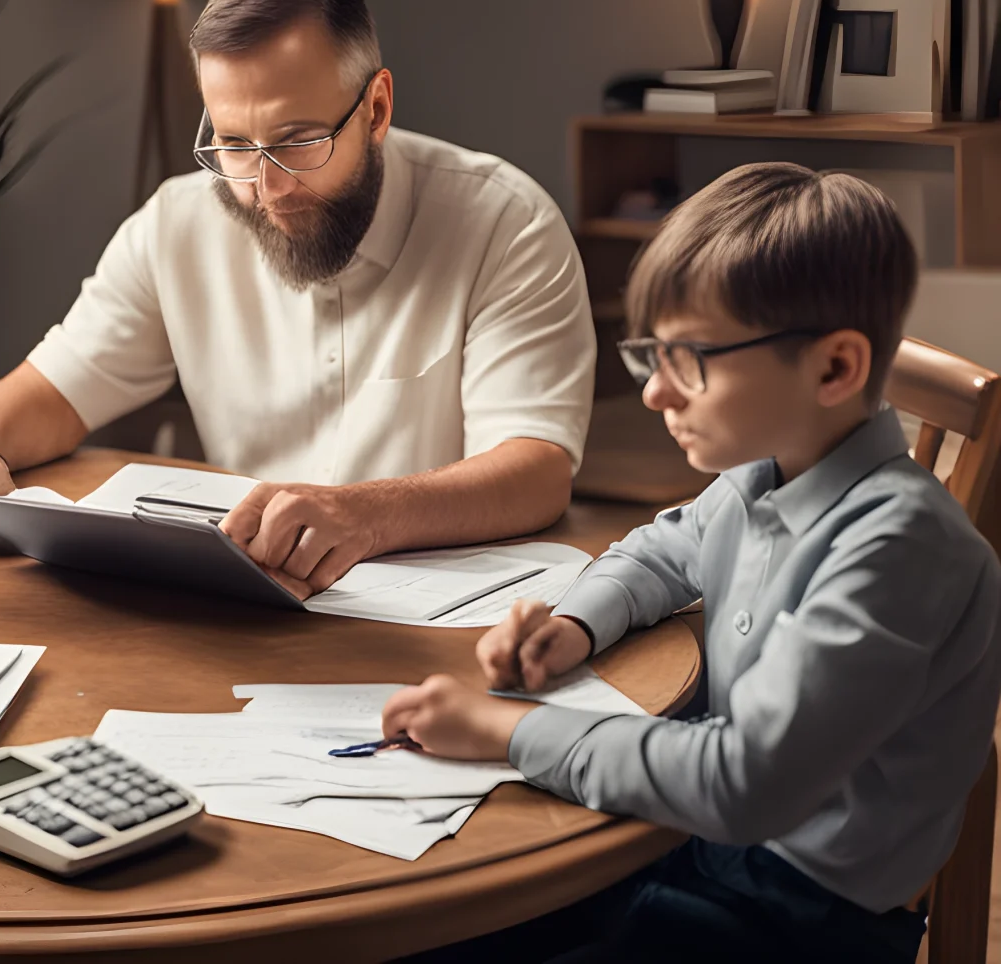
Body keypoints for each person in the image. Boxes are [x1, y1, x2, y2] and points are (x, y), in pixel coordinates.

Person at [381, 163, 1001, 963]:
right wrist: (574, 625)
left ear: (835, 369)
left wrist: (509, 729)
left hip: (799, 915)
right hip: (699, 848)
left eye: (690, 362)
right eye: (653, 356)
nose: (654, 396)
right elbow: (664, 548)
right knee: (451, 917)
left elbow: (743, 785)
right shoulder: (766, 469)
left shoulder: (902, 549)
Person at [0, 0, 595, 598]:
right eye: (234, 144)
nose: (265, 187)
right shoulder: (178, 224)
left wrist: (364, 513)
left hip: (446, 618)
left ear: (375, 108)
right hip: (236, 611)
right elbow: (51, 392)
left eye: (298, 140)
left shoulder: (506, 221)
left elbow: (536, 468)